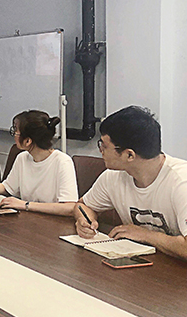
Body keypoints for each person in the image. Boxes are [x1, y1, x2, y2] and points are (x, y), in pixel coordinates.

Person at [74, 106, 187, 260]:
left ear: (129, 155)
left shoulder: (181, 182)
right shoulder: (113, 176)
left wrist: (146, 235)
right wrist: (84, 220)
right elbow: (83, 206)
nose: (100, 151)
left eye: (104, 146)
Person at [0, 110, 77, 216]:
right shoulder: (22, 158)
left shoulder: (62, 162)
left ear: (28, 141)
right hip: (28, 218)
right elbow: (7, 187)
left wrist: (25, 205)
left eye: (16, 132)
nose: (14, 136)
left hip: (52, 222)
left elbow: (69, 207)